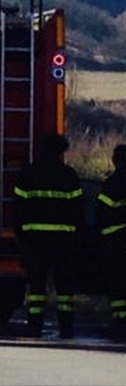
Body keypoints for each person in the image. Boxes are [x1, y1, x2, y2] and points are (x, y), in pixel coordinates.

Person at [14, 134, 83, 339]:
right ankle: (66, 329)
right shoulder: (69, 175)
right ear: (60, 152)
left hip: (35, 241)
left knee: (36, 288)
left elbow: (18, 208)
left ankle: (34, 328)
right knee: (65, 290)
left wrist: (21, 236)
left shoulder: (28, 174)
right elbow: (78, 211)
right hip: (64, 243)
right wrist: (78, 239)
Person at [96, 144, 126, 340]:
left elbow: (103, 211)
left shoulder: (114, 182)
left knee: (118, 287)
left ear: (117, 160)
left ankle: (120, 325)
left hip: (117, 243)